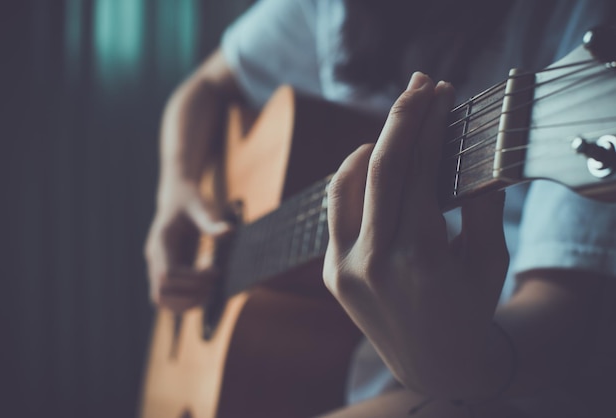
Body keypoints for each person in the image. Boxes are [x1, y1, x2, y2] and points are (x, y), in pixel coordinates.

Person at [144, 0, 616, 416]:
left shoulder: (575, 12)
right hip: (367, 354)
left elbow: (562, 328)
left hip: (510, 358)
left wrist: (460, 362)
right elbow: (203, 87)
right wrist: (176, 192)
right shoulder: (327, 8)